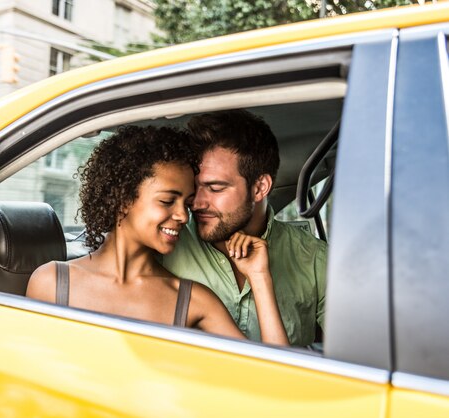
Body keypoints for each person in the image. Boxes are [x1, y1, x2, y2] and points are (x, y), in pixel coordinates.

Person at [27, 125, 289, 346]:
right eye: (167, 201)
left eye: (186, 204)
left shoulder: (193, 300)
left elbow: (279, 377)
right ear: (123, 199)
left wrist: (259, 277)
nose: (184, 216)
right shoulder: (51, 283)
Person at [162, 110, 327, 347]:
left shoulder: (315, 260)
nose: (196, 203)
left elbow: (356, 360)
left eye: (215, 188)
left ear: (259, 188)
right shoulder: (166, 244)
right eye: (193, 188)